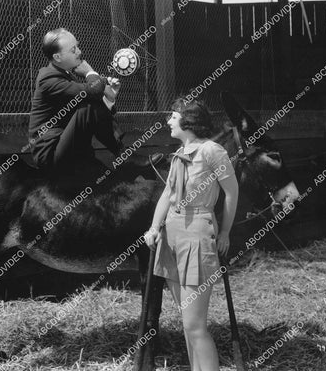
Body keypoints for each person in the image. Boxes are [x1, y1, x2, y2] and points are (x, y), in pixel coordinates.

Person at [144, 98, 239, 371]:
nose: (168, 121)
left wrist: (225, 232)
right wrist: (154, 227)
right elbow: (169, 193)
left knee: (195, 325)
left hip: (198, 233)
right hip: (172, 236)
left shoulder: (212, 151)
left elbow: (232, 192)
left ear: (188, 121)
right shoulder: (179, 152)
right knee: (187, 323)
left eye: (173, 116)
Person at [29, 28, 162, 174]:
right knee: (89, 104)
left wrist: (109, 97)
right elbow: (93, 91)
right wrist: (89, 72)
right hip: (50, 155)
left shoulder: (64, 76)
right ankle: (124, 155)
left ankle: (124, 155)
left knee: (90, 103)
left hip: (69, 148)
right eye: (73, 50)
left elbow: (93, 106)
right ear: (58, 57)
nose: (79, 52)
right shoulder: (48, 79)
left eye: (77, 46)